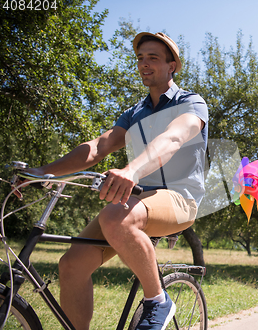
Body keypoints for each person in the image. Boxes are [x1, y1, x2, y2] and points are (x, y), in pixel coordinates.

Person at [20, 32, 208, 330]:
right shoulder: (135, 112)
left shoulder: (190, 103)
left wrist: (131, 171)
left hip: (179, 198)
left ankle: (157, 300)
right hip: (138, 201)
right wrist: (44, 172)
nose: (144, 64)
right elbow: (99, 146)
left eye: (153, 58)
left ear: (172, 66)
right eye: (140, 58)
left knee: (115, 215)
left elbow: (172, 138)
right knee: (71, 266)